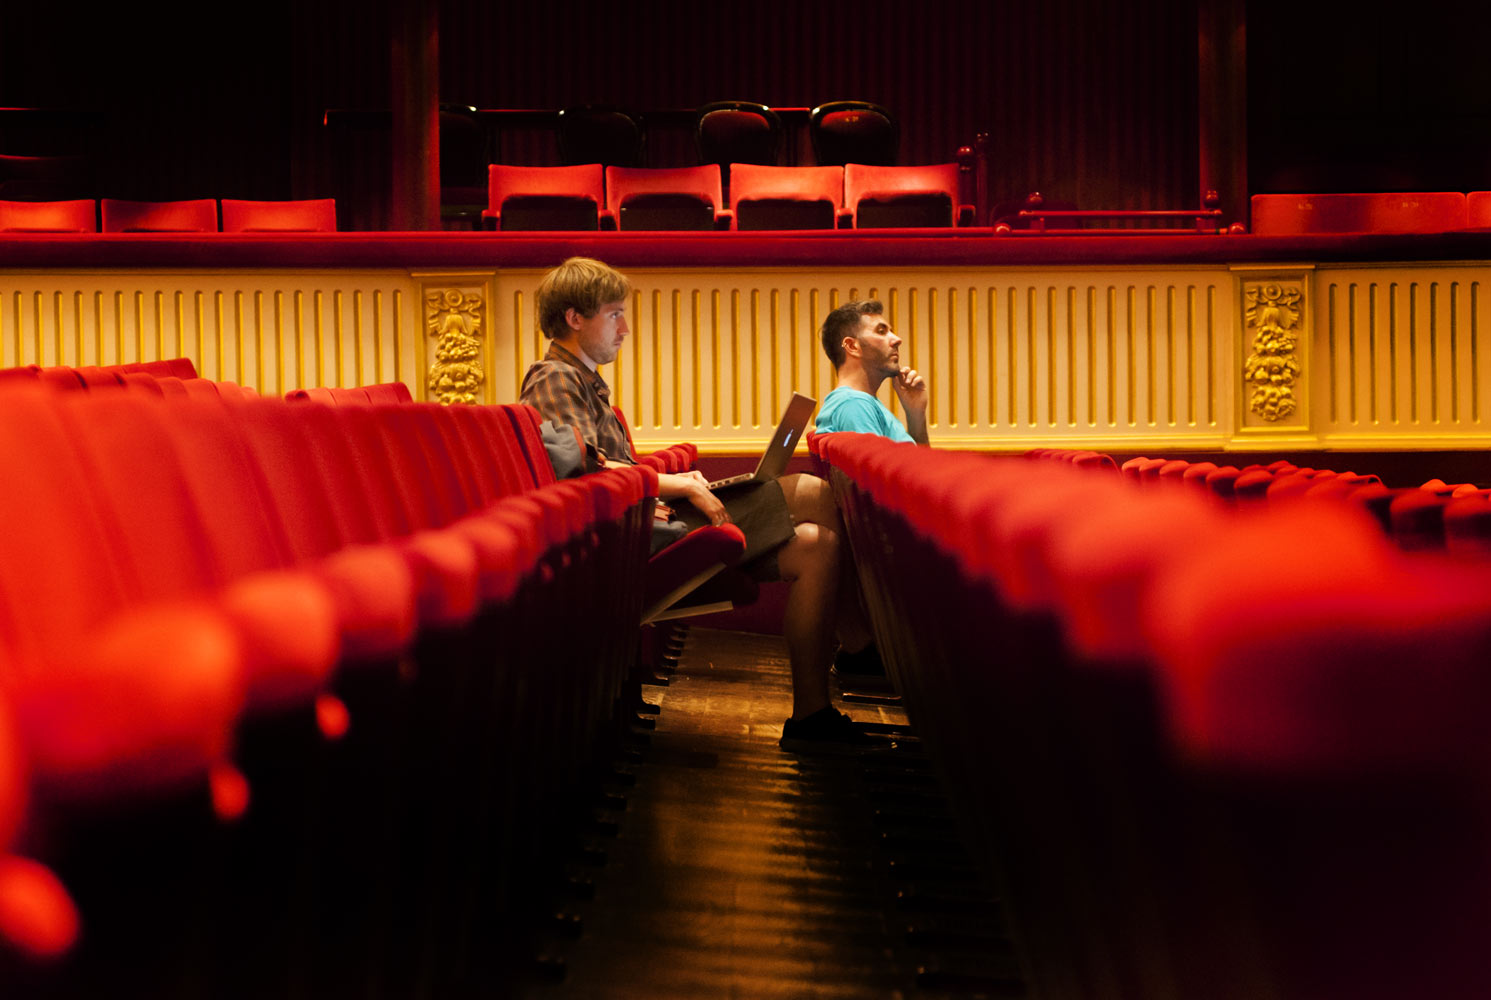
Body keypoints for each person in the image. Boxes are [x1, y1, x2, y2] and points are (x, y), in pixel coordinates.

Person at [519, 257, 876, 750]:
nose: (625, 328)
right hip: (627, 541)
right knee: (812, 492)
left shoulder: (583, 381)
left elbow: (601, 465)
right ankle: (861, 645)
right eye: (614, 314)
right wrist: (676, 486)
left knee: (817, 546)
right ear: (575, 318)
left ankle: (811, 716)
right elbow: (580, 473)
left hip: (646, 522)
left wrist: (670, 482)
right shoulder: (554, 378)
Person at [814, 300, 929, 445]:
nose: (897, 340)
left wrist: (915, 414)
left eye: (891, 332)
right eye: (881, 332)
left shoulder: (860, 403)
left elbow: (919, 464)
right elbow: (882, 468)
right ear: (852, 346)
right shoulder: (854, 405)